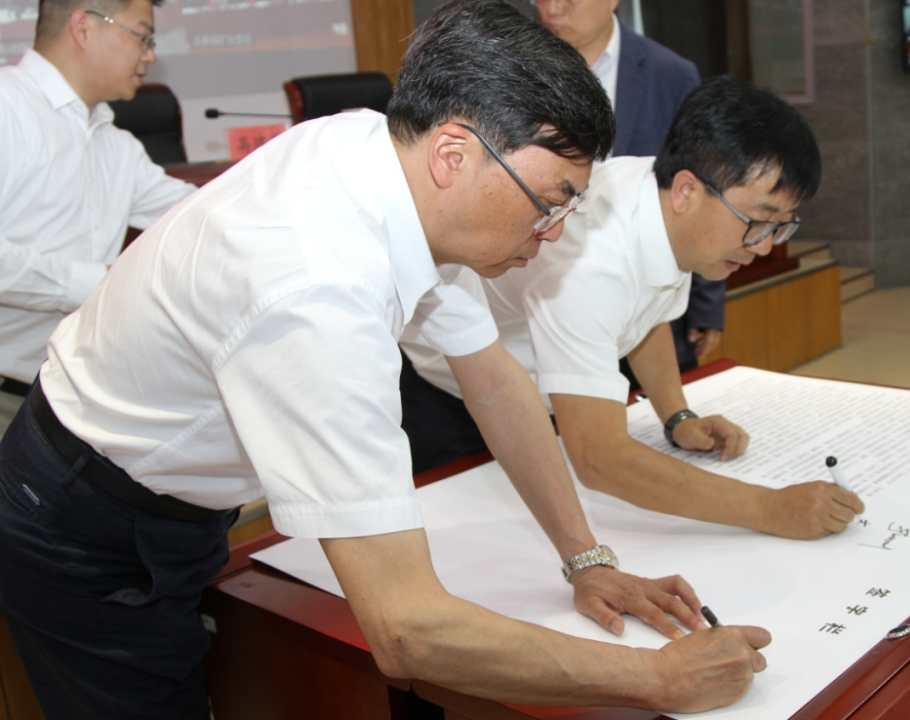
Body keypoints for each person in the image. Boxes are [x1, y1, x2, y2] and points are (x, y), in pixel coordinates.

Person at [0, 1, 771, 717]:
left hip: (174, 497)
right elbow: (406, 630)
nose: (557, 232)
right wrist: (656, 678)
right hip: (84, 520)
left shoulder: (385, 158)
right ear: (454, 154)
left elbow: (494, 382)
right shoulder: (316, 290)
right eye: (549, 201)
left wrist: (586, 560)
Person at [402, 75, 866, 539]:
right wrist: (770, 508)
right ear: (686, 191)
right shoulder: (590, 264)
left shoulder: (666, 202)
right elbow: (599, 457)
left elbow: (645, 316)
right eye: (758, 222)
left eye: (780, 227)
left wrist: (677, 416)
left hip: (549, 397)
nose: (763, 246)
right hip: (457, 404)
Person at [0, 0, 196, 434]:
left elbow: (200, 215)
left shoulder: (116, 145)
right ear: (83, 27)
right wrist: (98, 283)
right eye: (142, 36)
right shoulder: (6, 107)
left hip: (74, 402)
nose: (150, 55)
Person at [532, 0, 727, 373]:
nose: (553, 9)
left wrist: (706, 305)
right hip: (544, 296)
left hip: (644, 303)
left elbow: (702, 185)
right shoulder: (518, 66)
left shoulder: (670, 74)